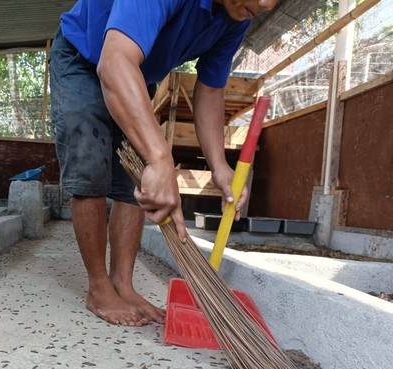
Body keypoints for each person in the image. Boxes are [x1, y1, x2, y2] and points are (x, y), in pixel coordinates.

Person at [50, 0, 278, 327]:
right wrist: (160, 157)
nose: (266, 3)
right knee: (90, 167)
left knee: (138, 179)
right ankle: (99, 287)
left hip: (137, 72)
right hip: (85, 56)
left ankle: (123, 285)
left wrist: (219, 167)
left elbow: (211, 89)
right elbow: (113, 63)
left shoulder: (238, 15)